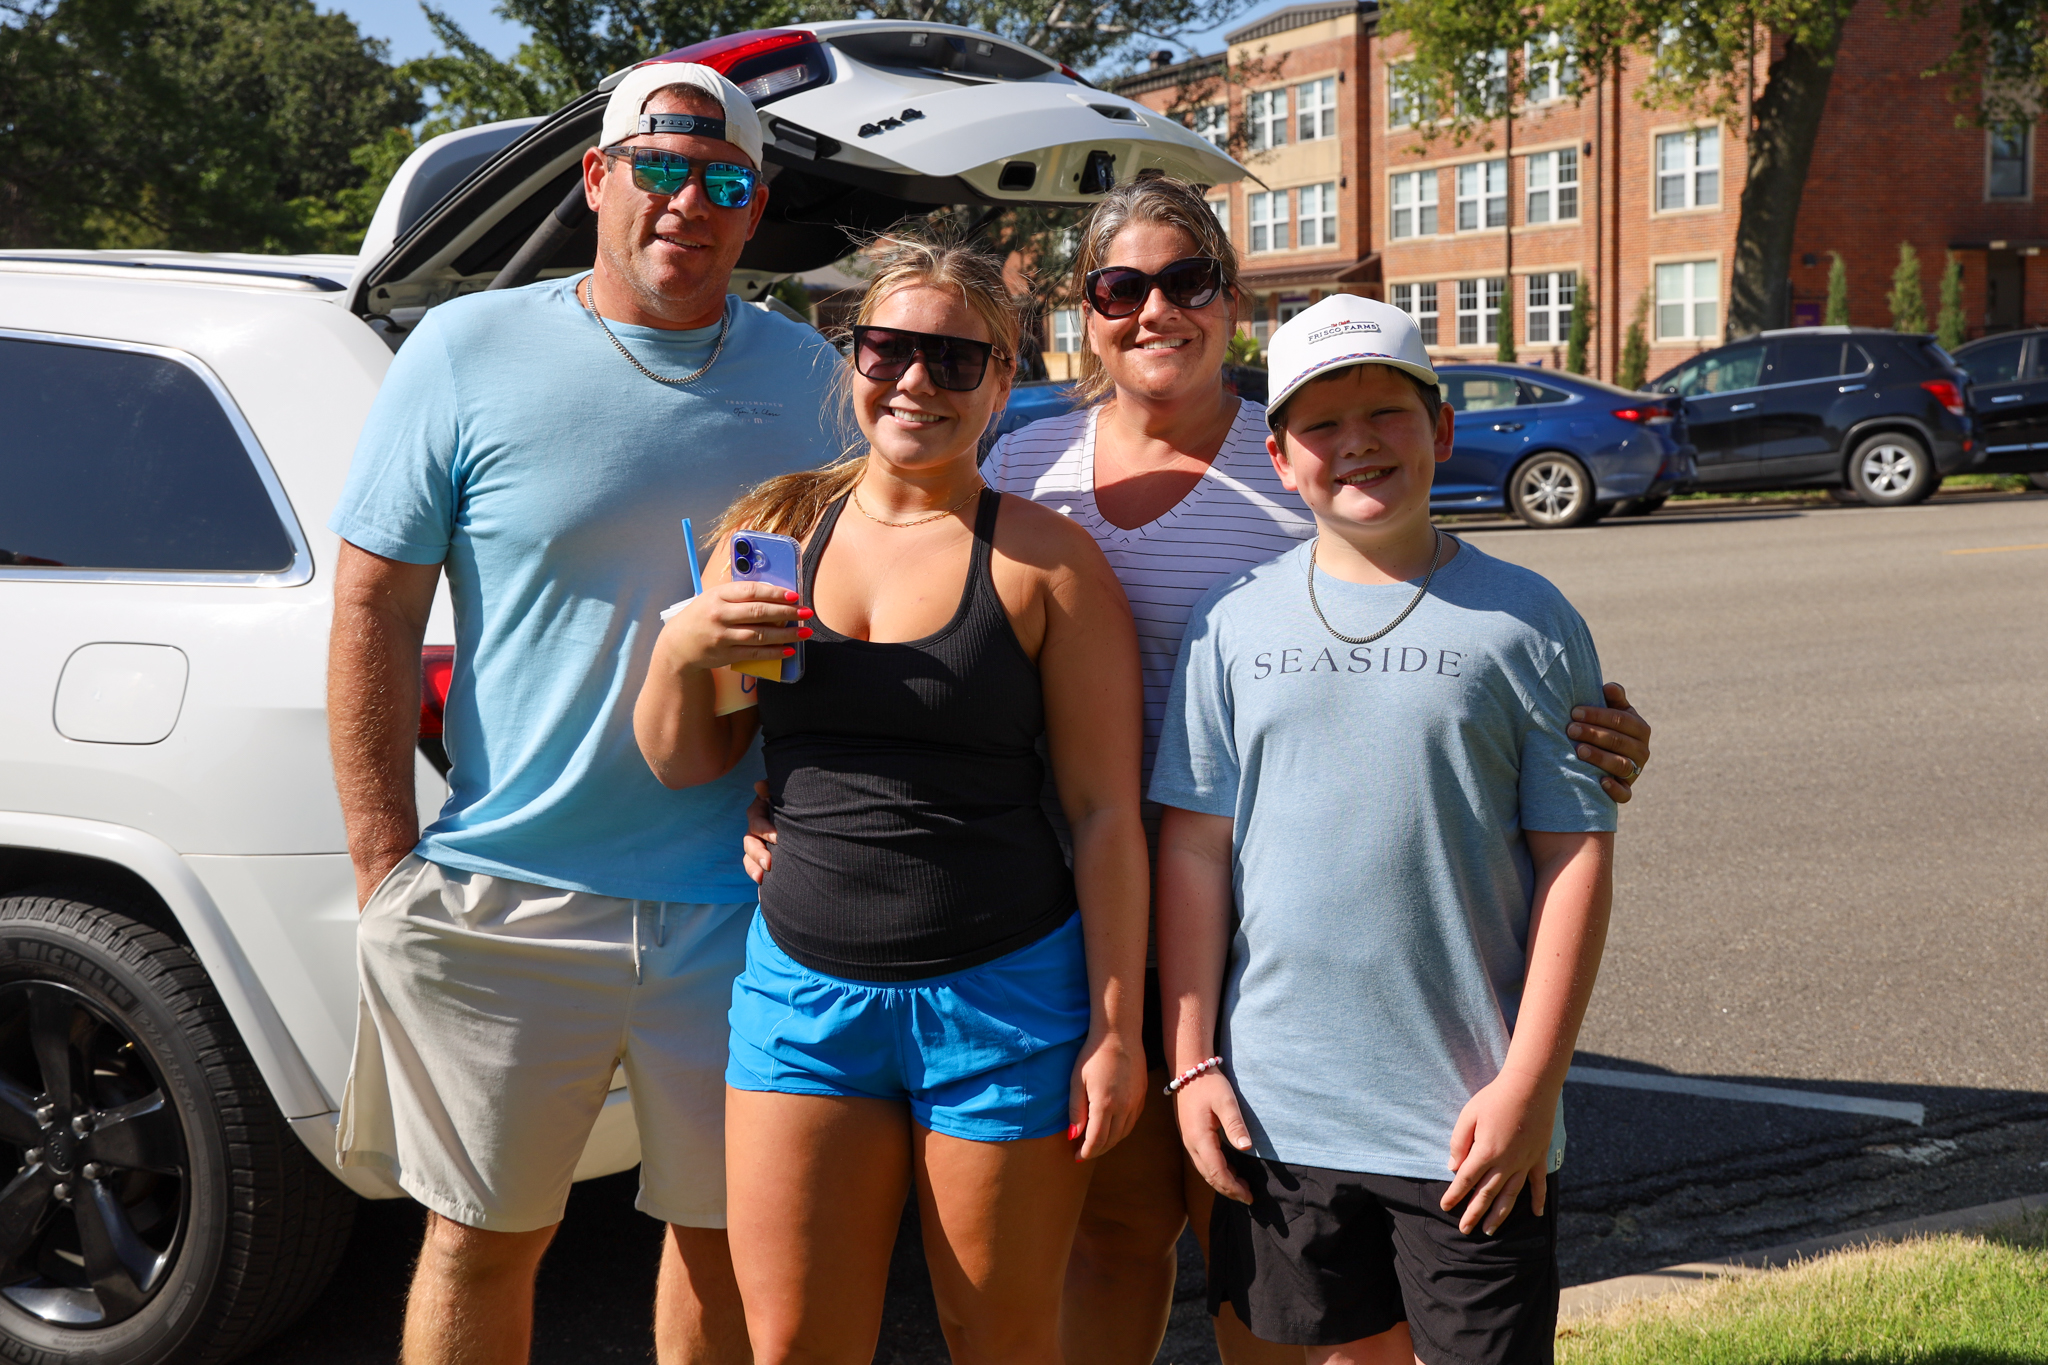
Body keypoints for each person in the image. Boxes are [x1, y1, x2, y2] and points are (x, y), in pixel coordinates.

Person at [745, 176, 1652, 1363]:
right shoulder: (1026, 462)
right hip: (1067, 920)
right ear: (1082, 311)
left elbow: (1440, 631)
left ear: (1228, 300)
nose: (1152, 310)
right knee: (1113, 1237)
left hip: (1278, 932)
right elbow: (912, 648)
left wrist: (1597, 739)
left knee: (1252, 1253)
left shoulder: (1300, 454)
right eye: (1119, 288)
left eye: (1185, 282)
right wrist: (789, 798)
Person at [325, 61, 841, 1364]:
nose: (688, 203)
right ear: (597, 179)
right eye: (658, 168)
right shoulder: (466, 350)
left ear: (754, 205)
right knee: (484, 1240)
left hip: (740, 907)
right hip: (510, 892)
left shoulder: (818, 379)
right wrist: (386, 861)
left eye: (723, 181)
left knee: (725, 1241)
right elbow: (375, 607)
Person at [633, 232, 1151, 1364]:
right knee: (795, 1345)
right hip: (802, 1007)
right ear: (851, 359)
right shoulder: (770, 544)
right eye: (888, 350)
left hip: (1005, 1004)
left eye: (956, 362)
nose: (916, 382)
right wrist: (679, 655)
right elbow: (689, 761)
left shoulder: (1044, 564)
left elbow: (1105, 810)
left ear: (1004, 382)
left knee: (998, 1338)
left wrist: (1113, 1032)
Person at [1156, 294, 1616, 1365]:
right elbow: (1190, 848)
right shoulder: (1228, 623)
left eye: (1385, 413)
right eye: (1319, 423)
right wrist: (1191, 1065)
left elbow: (1574, 856)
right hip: (1278, 1113)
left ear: (1442, 431)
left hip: (1465, 1123)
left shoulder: (1525, 620)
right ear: (1277, 456)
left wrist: (1529, 1086)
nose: (1354, 442)